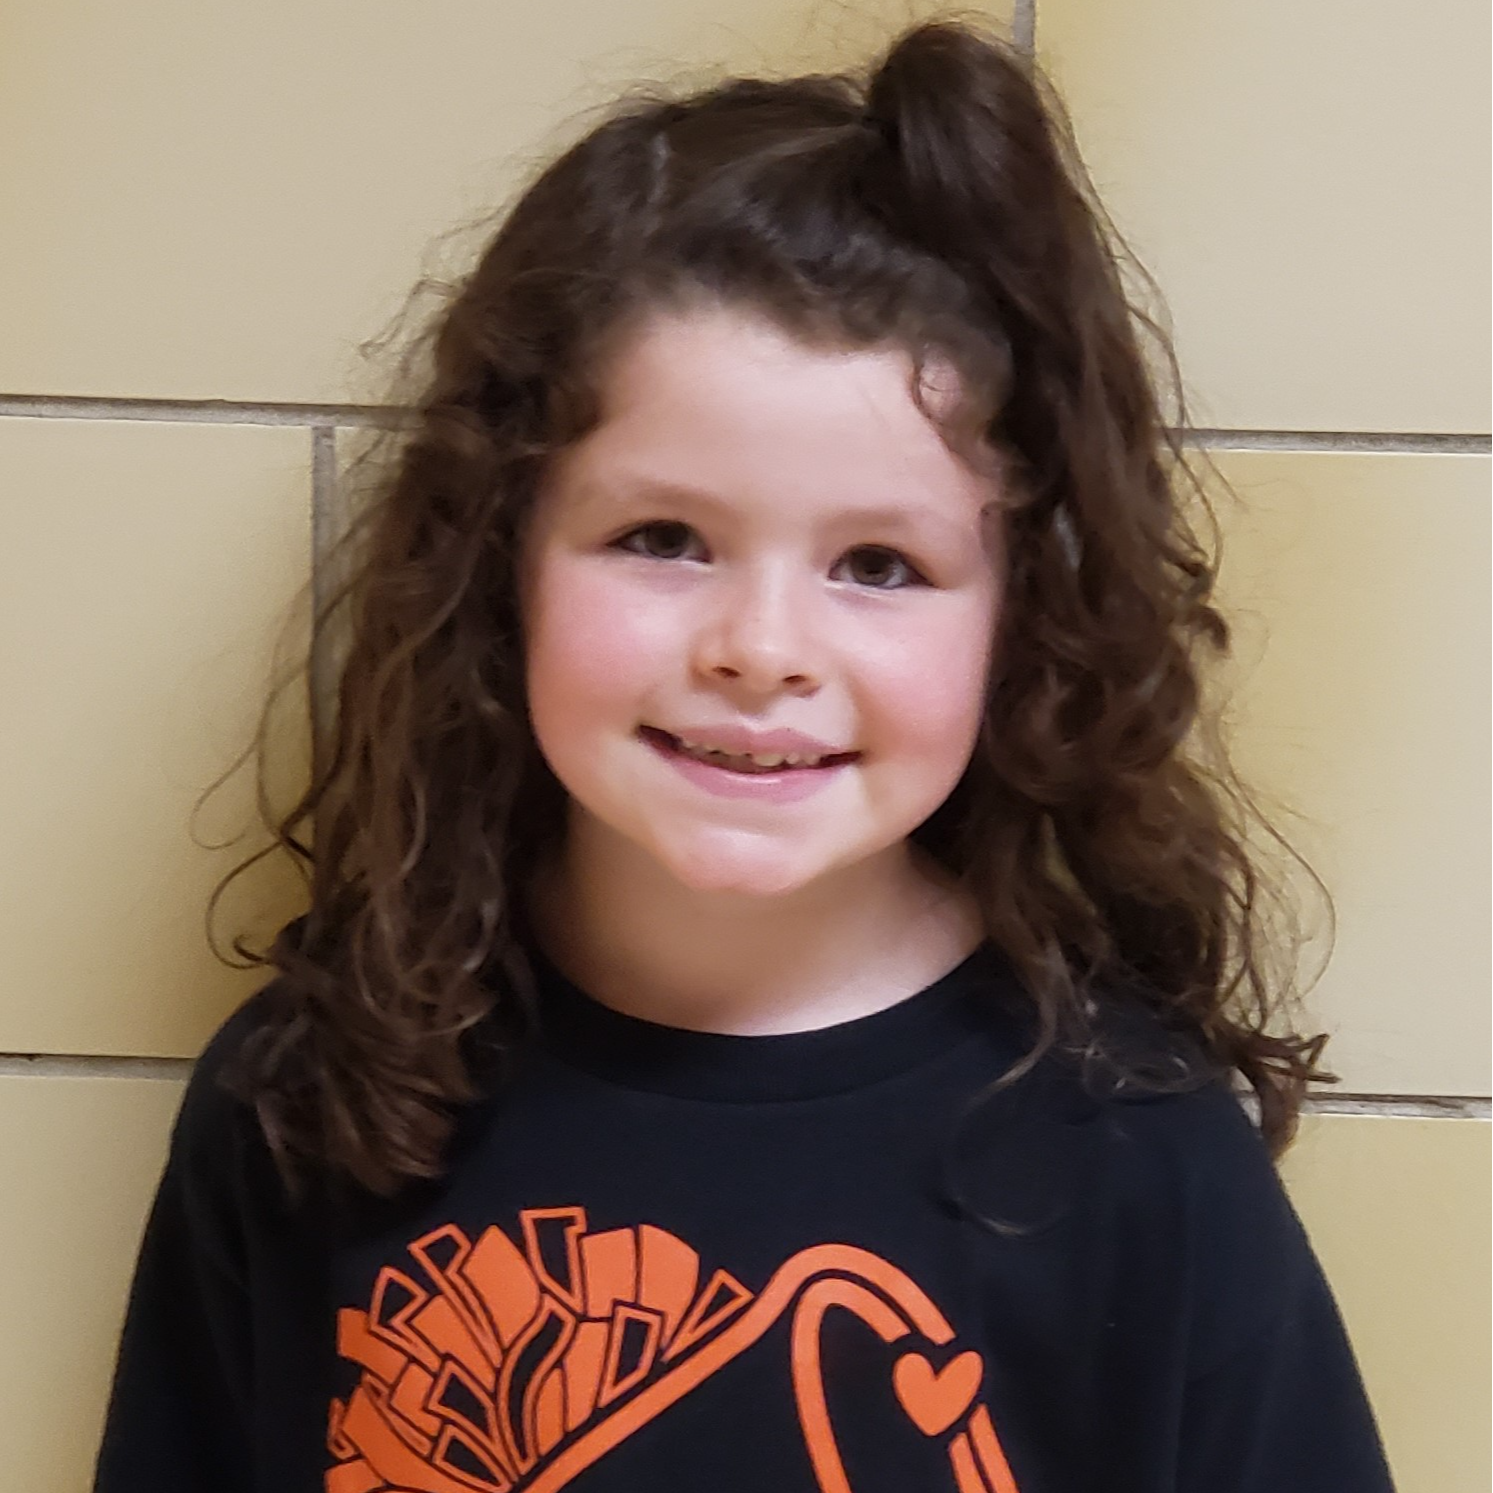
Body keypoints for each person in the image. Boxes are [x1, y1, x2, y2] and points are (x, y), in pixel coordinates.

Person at [92, 17, 1396, 1493]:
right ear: (498, 562)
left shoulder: (1140, 1160)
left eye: (881, 565)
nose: (760, 647)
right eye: (663, 538)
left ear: (1022, 615)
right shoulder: (307, 1098)